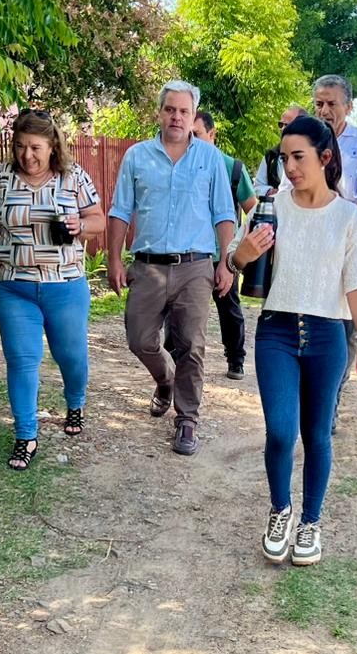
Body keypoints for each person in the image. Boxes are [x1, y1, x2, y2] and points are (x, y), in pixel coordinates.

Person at [230, 115, 357, 567]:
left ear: (325, 157)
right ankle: (280, 510)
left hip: (328, 335)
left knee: (317, 434)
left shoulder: (349, 217)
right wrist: (243, 255)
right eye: (284, 158)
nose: (290, 167)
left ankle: (311, 522)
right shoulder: (271, 206)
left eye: (299, 157)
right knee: (280, 431)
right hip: (276, 331)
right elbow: (235, 262)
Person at [0, 109, 105, 470]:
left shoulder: (73, 177)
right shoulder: (1, 178)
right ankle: (26, 435)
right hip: (14, 286)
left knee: (71, 356)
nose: (27, 155)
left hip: (65, 286)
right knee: (21, 360)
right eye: (20, 146)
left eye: (35, 147)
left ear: (52, 146)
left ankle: (75, 401)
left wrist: (81, 225)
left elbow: (99, 219)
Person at [107, 81, 237, 457]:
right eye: (170, 110)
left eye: (183, 111)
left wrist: (226, 263)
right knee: (139, 339)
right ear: (160, 113)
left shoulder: (210, 158)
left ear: (193, 116)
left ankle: (187, 419)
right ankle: (165, 380)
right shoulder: (137, 156)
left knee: (191, 345)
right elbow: (120, 210)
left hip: (195, 266)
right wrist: (114, 259)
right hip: (148, 266)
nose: (176, 117)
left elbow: (224, 214)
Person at [311, 75, 357, 432]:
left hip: (349, 248)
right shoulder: (305, 137)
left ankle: (330, 402)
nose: (325, 110)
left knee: (344, 330)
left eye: (332, 104)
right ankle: (313, 399)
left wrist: (344, 225)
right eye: (319, 104)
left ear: (349, 106)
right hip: (311, 249)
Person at [192, 111, 256, 379]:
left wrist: (237, 250)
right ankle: (176, 360)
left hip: (224, 255)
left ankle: (236, 359)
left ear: (212, 134)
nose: (191, 140)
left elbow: (252, 211)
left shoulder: (234, 169)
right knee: (180, 312)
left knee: (229, 309)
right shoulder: (182, 166)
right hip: (191, 254)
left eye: (196, 134)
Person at [254, 105, 308, 197]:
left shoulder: (314, 155)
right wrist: (269, 191)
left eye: (287, 125)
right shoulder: (271, 155)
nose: (283, 128)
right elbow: (257, 187)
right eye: (281, 125)